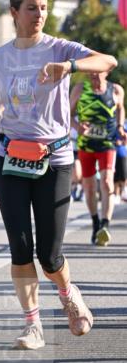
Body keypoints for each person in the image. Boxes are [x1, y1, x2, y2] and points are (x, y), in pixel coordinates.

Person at [0, 0, 117, 350]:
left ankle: (68, 294)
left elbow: (108, 60)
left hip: (56, 158)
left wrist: (69, 66)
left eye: (44, 8)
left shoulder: (59, 47)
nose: (39, 15)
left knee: (49, 255)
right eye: (31, 8)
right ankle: (33, 326)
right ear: (14, 12)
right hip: (10, 157)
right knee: (20, 247)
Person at [71, 69, 125, 245]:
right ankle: (95, 223)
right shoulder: (80, 89)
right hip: (86, 144)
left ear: (107, 73)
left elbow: (120, 109)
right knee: (88, 186)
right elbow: (68, 114)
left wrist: (120, 128)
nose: (93, 77)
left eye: (97, 74)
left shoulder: (116, 90)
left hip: (107, 144)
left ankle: (105, 224)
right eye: (90, 74)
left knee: (108, 181)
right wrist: (77, 126)